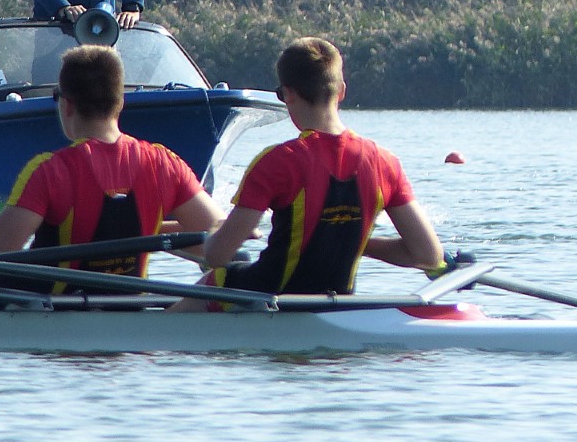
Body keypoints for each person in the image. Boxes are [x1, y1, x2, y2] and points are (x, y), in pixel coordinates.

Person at [0, 45, 222, 309]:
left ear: (66, 104)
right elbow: (223, 234)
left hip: (55, 308)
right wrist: (148, 230)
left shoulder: (49, 170)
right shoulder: (164, 163)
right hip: (128, 307)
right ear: (120, 102)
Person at [175, 37, 443, 310]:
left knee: (214, 278)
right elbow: (428, 255)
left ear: (288, 94)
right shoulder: (385, 162)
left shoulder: (277, 162)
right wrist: (350, 240)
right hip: (338, 304)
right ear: (341, 91)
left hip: (272, 299)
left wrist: (216, 232)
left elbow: (218, 255)